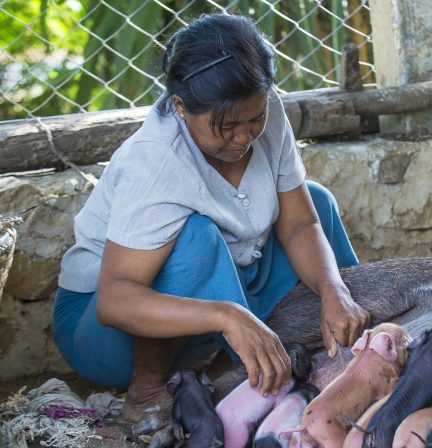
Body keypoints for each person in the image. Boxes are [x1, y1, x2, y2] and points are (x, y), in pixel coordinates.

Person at [52, 12, 370, 421]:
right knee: (194, 238)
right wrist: (227, 315)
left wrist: (332, 289)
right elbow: (115, 300)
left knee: (316, 203)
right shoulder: (158, 161)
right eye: (225, 126)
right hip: (106, 334)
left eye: (254, 119)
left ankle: (316, 356)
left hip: (217, 290)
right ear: (182, 107)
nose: (243, 137)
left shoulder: (263, 112)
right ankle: (147, 394)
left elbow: (299, 224)